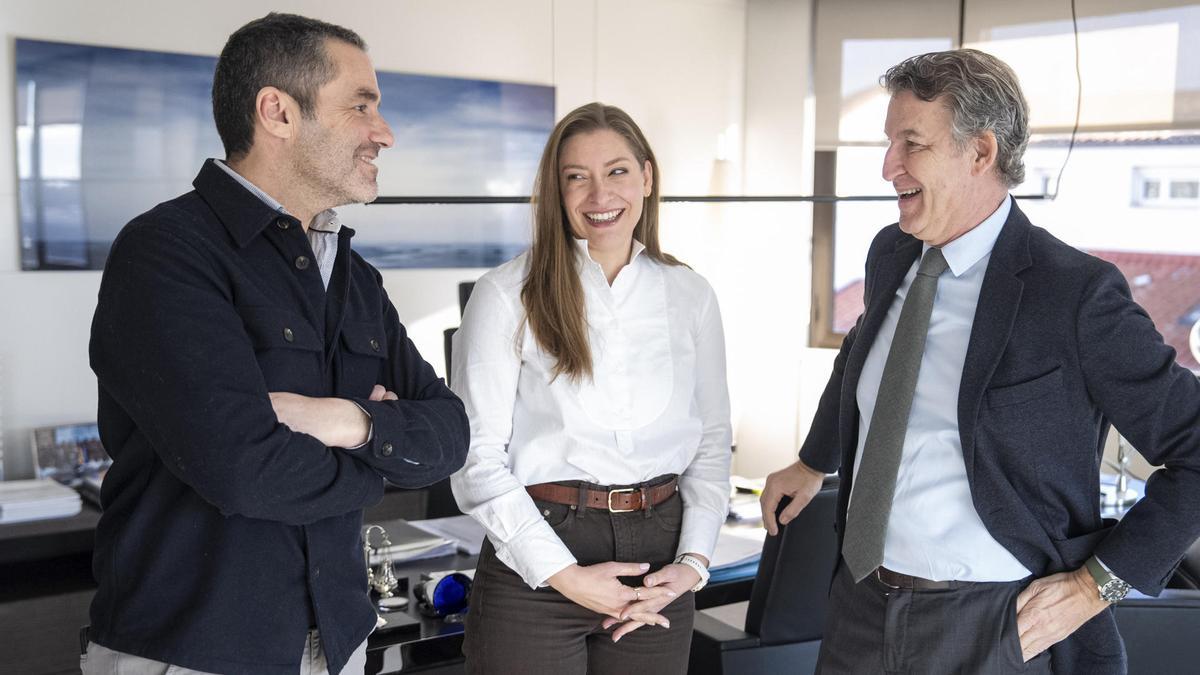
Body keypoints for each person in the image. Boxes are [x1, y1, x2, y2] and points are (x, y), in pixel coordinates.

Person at [760, 49, 1200, 674]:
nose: (889, 167)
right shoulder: (892, 252)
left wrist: (1097, 586)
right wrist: (812, 461)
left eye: (911, 143)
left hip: (995, 624)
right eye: (889, 143)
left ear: (981, 152)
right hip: (859, 605)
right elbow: (864, 356)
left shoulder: (1074, 293)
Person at [85, 13, 469, 675]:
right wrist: (382, 447)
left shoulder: (354, 276)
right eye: (361, 106)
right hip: (195, 654)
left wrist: (342, 420)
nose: (385, 133)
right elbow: (245, 471)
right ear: (278, 112)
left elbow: (450, 434)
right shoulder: (165, 254)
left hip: (339, 644)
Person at [449, 102, 732, 674]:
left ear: (647, 178)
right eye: (576, 177)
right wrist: (563, 574)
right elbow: (475, 458)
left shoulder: (690, 294)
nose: (599, 195)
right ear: (556, 191)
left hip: (660, 561)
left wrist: (694, 562)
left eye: (617, 172)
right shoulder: (506, 295)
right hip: (538, 560)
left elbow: (711, 442)